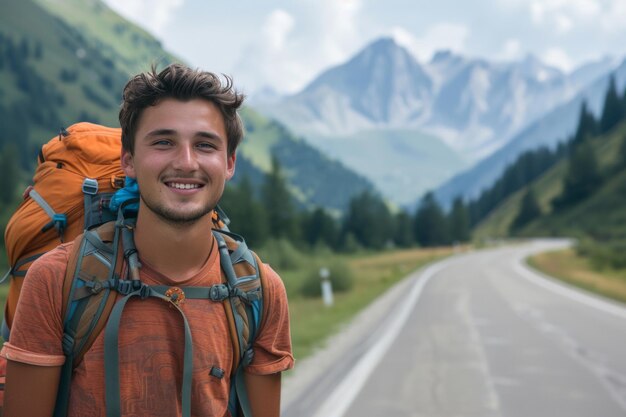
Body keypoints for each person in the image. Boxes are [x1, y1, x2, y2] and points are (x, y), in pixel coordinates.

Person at [1, 63, 294, 416]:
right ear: (129, 160)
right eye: (163, 142)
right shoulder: (56, 279)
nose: (186, 162)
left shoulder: (257, 290)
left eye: (205, 145)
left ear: (229, 163)